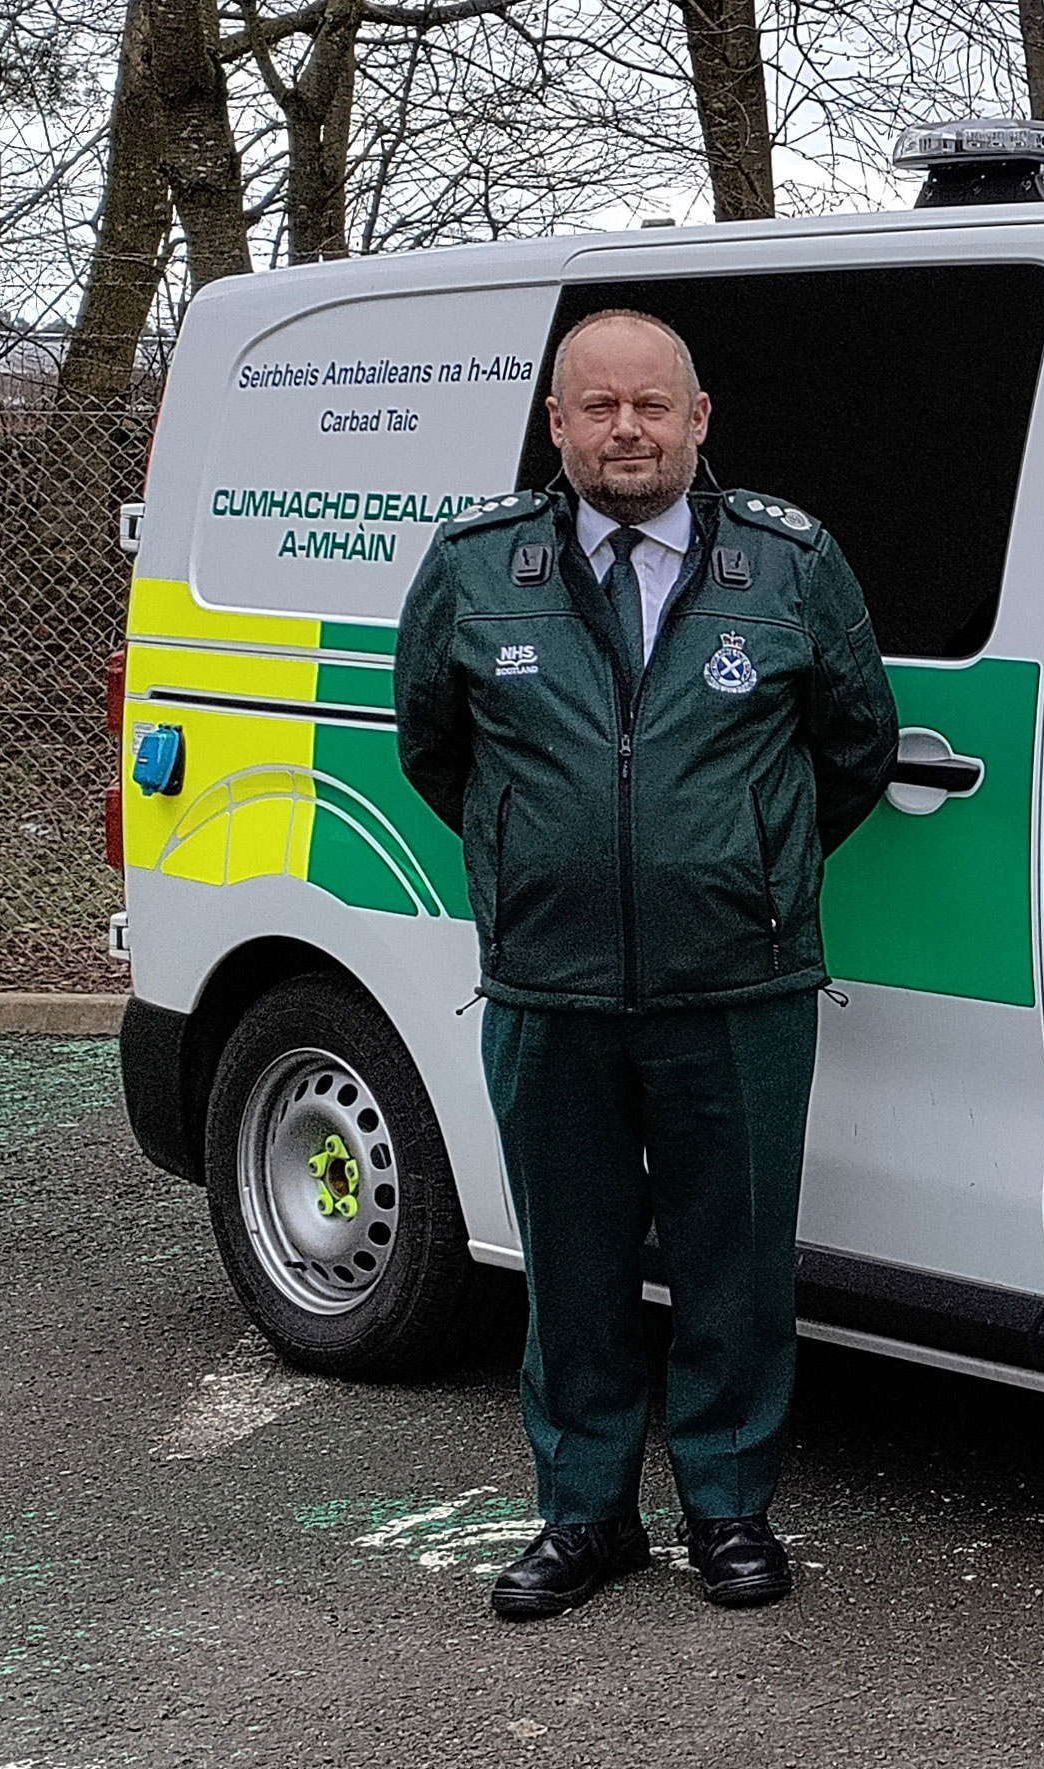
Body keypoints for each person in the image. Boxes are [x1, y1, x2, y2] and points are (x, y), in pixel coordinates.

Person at [396, 309, 898, 1623]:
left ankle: (729, 1511)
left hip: (739, 984)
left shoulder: (789, 564)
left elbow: (856, 743)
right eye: (601, 407)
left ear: (699, 421)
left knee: (736, 1263)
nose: (630, 429)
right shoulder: (474, 566)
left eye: (654, 407)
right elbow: (435, 748)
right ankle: (587, 1518)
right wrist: (547, 858)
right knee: (572, 1266)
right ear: (556, 426)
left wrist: (741, 861)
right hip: (549, 989)